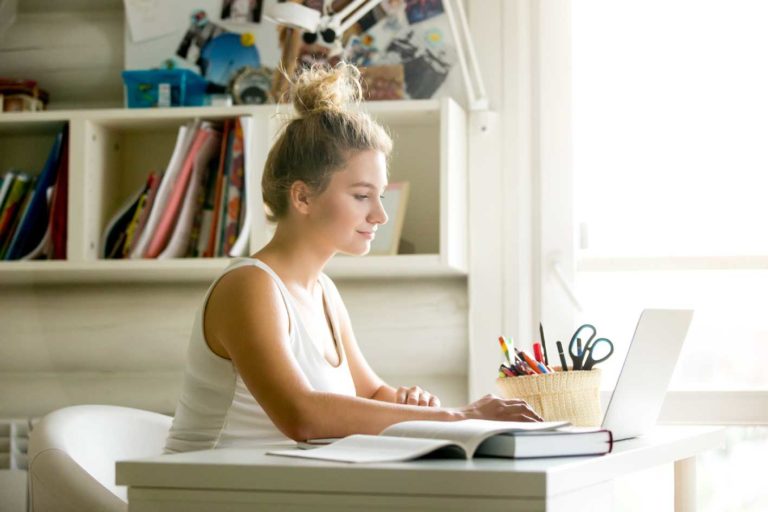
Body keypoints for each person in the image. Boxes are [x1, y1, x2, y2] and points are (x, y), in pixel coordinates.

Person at [164, 63, 541, 454]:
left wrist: (406, 402)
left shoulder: (323, 292)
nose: (380, 214)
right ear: (303, 197)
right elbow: (302, 415)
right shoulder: (249, 286)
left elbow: (372, 392)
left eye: (380, 195)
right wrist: (460, 417)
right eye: (362, 196)